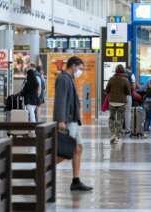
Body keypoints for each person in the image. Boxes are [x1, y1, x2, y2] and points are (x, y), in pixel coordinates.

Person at [53, 56, 93, 191]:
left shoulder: (69, 79)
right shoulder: (63, 79)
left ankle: (76, 180)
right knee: (66, 151)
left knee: (78, 149)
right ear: (73, 66)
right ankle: (42, 168)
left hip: (73, 120)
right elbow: (60, 100)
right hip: (67, 121)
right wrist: (61, 120)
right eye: (80, 68)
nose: (80, 71)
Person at [105, 65, 130, 143]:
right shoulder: (125, 80)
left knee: (111, 118)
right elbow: (128, 92)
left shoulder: (111, 79)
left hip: (112, 101)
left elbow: (107, 89)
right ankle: (117, 136)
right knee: (119, 119)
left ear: (115, 71)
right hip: (121, 102)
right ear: (123, 71)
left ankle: (112, 134)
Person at [124, 67, 136, 135]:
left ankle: (119, 128)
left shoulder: (120, 74)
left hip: (120, 96)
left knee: (120, 112)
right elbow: (134, 87)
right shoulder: (131, 74)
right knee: (127, 112)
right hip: (128, 95)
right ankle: (127, 129)